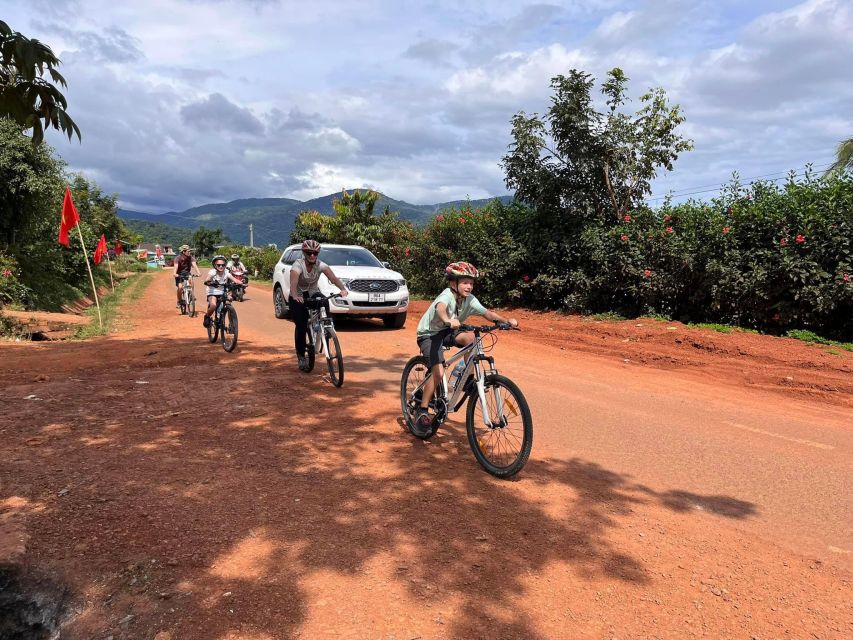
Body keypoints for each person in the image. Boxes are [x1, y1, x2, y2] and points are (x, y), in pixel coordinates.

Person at [413, 261, 518, 433]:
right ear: (453, 283)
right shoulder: (447, 295)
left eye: (471, 283)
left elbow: (487, 313)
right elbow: (440, 308)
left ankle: (468, 377)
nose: (469, 286)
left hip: (448, 331)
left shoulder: (470, 300)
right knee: (438, 373)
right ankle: (422, 411)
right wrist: (447, 320)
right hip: (429, 334)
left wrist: (506, 321)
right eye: (465, 282)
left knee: (471, 338)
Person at [289, 239, 349, 371]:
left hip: (313, 292)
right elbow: (293, 284)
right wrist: (295, 296)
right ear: (304, 253)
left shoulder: (321, 265)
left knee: (324, 300)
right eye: (309, 253)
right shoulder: (297, 266)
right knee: (301, 326)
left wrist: (342, 289)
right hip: (298, 296)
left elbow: (333, 278)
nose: (312, 256)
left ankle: (326, 327)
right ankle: (301, 356)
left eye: (315, 253)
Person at [202, 255, 246, 328]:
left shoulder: (226, 272)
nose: (221, 266)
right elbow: (208, 279)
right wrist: (208, 282)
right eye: (218, 265)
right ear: (214, 265)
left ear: (225, 265)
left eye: (223, 265)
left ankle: (231, 324)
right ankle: (207, 316)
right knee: (213, 306)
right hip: (212, 292)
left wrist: (241, 283)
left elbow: (234, 279)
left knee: (229, 301)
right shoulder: (213, 272)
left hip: (222, 292)